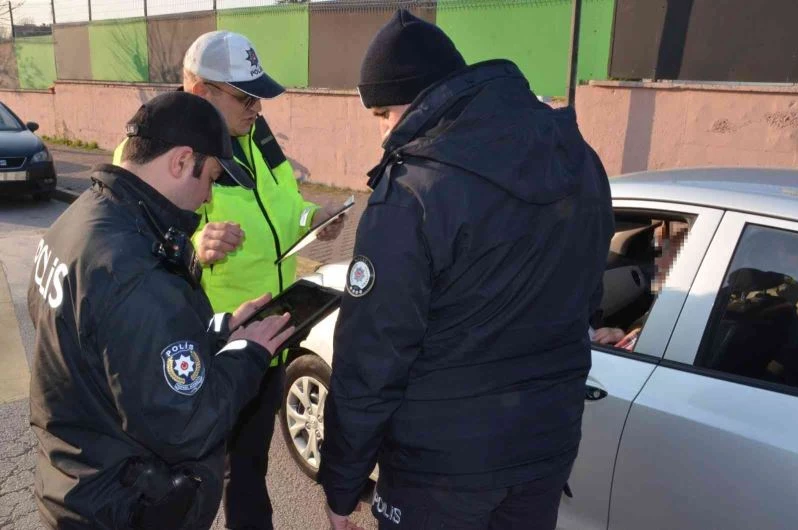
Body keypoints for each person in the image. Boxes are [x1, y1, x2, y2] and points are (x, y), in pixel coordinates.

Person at [318, 10, 613, 530]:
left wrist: (343, 483)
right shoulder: (578, 157)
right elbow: (587, 292)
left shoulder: (412, 192)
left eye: (383, 113)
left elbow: (372, 358)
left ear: (417, 98)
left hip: (440, 472)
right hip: (545, 446)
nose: (385, 131)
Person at [28, 91, 296, 530]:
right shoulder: (136, 271)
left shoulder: (80, 220)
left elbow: (116, 349)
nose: (208, 197)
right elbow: (189, 426)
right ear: (180, 161)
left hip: (74, 485)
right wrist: (248, 355)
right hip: (118, 507)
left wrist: (218, 329)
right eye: (209, 178)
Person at [112, 31, 345, 529]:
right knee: (195, 481)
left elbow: (282, 209)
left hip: (269, 333)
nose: (257, 108)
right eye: (245, 96)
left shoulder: (256, 138)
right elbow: (126, 257)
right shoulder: (152, 150)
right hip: (208, 348)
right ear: (200, 93)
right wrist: (193, 248)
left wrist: (312, 218)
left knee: (249, 468)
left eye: (259, 95)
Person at [594, 225, 689, 350]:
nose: (657, 262)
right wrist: (621, 335)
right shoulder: (677, 307)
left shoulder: (679, 317)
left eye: (662, 252)